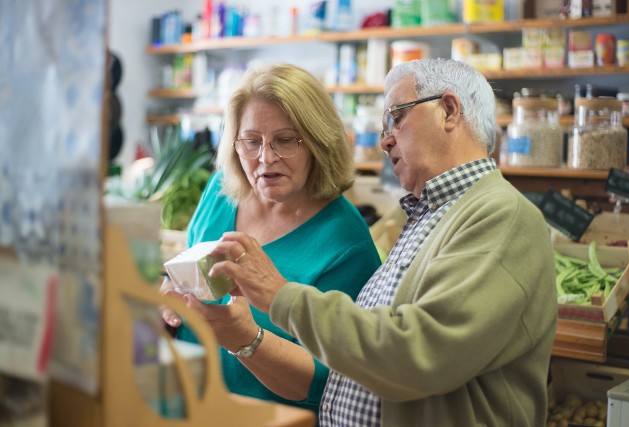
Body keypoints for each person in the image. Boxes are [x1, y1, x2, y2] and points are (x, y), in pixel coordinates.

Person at [207, 58, 558, 426]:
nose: (385, 138)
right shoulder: (436, 213)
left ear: (449, 111)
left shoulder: (501, 216)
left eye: (396, 117)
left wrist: (279, 295)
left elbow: (418, 355)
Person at [160, 63, 381, 416]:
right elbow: (185, 276)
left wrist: (246, 341)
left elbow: (333, 382)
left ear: (318, 142)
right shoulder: (220, 193)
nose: (265, 158)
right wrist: (167, 295)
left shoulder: (346, 242)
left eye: (284, 140)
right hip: (183, 403)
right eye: (251, 141)